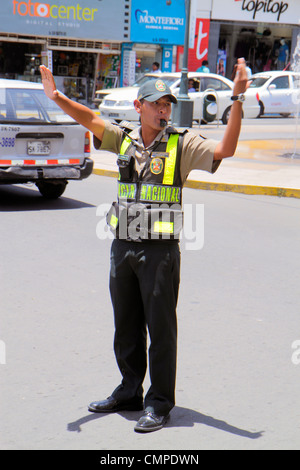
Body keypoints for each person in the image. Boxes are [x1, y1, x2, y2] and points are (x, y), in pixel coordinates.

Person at [40, 58, 249, 433]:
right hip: (122, 248)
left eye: (167, 104)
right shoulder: (124, 138)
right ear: (140, 107)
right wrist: (56, 97)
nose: (164, 110)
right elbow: (88, 117)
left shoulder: (183, 144)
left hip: (159, 253)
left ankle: (159, 403)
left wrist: (236, 99)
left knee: (161, 330)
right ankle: (129, 390)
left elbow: (226, 150)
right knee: (126, 326)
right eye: (157, 104)